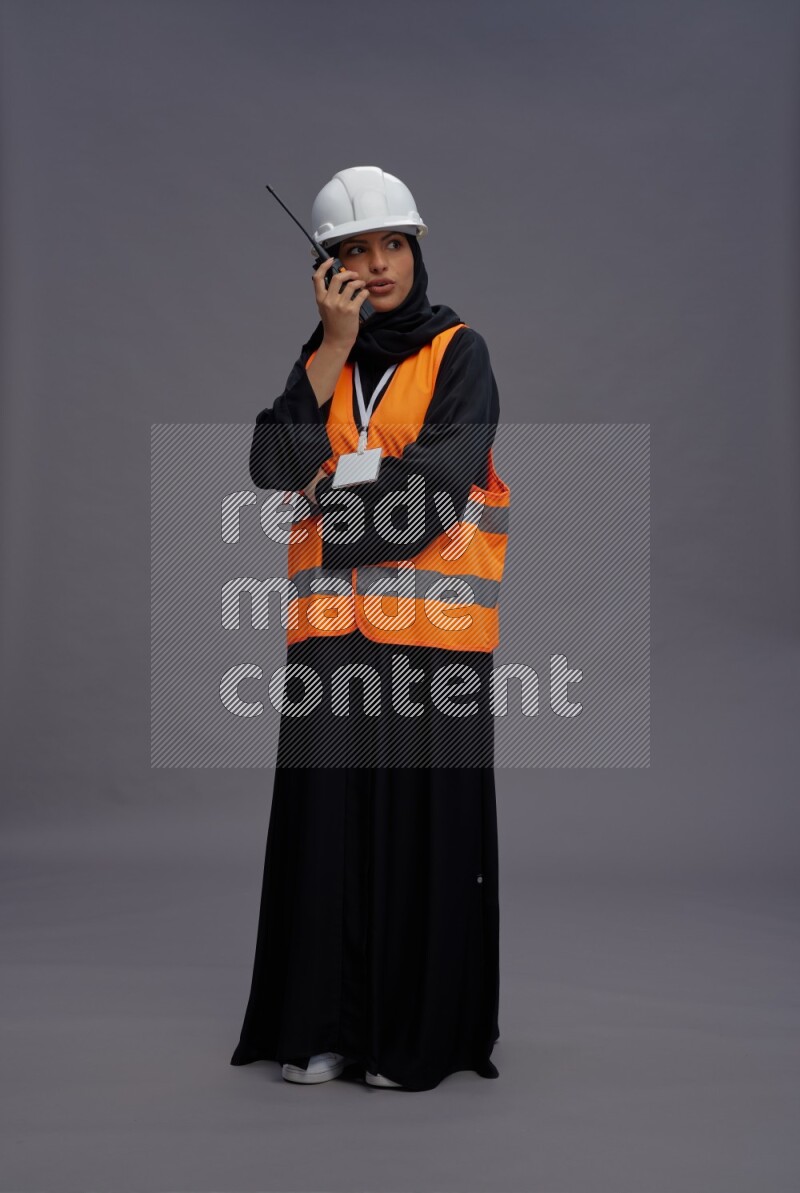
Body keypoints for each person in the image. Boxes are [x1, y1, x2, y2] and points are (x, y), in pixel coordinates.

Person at [229, 166, 510, 1092]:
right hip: (328, 643)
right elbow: (273, 462)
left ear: (416, 250)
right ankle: (321, 1029)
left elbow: (431, 501)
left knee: (417, 837)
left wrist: (326, 493)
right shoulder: (326, 358)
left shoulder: (459, 354)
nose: (377, 264)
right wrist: (332, 346)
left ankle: (409, 1041)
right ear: (327, 268)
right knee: (326, 834)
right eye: (354, 250)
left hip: (434, 648)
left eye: (392, 244)